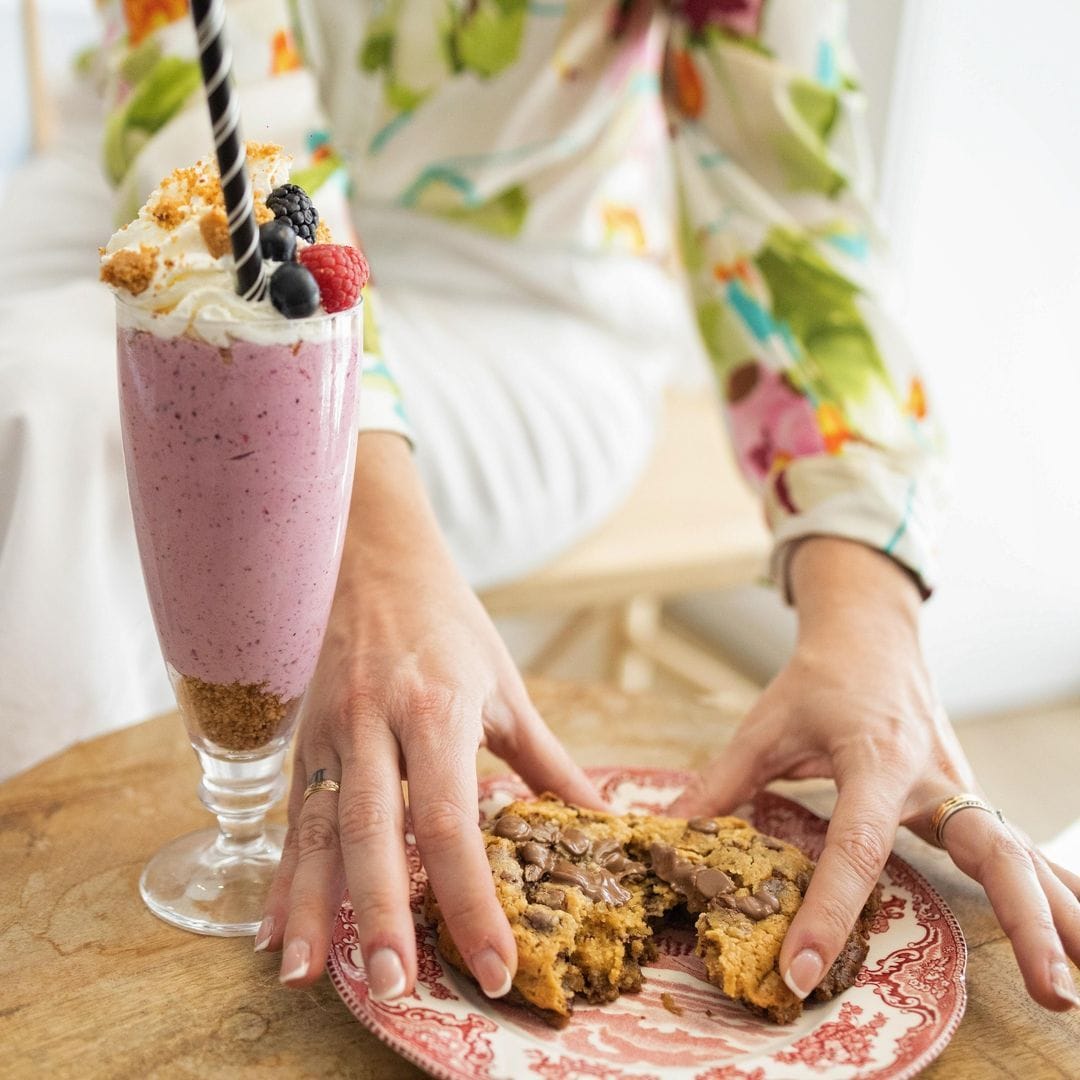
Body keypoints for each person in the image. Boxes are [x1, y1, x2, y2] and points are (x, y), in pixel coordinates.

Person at [2, 0, 1077, 1013]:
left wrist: (869, 619)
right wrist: (364, 535)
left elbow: (790, 208)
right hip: (165, 205)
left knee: (63, 431)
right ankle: (66, 969)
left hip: (516, 285)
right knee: (28, 405)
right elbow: (199, 75)